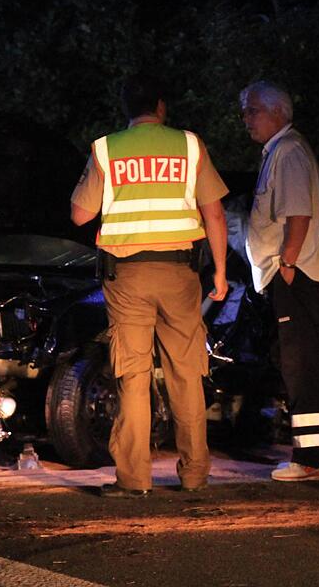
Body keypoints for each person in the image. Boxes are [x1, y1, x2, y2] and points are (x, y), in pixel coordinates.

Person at [70, 73, 229, 497]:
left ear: (126, 108)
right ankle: (195, 474)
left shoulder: (106, 150)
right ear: (161, 107)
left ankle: (134, 479)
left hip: (128, 278)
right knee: (186, 372)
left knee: (134, 375)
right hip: (180, 274)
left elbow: (80, 215)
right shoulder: (190, 145)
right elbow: (214, 213)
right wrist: (219, 272)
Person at [240, 80, 319, 481]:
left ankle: (313, 458)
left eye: (253, 110)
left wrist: (289, 263)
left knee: (302, 363)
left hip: (295, 273)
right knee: (298, 362)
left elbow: (298, 215)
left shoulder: (289, 150)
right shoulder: (279, 151)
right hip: (288, 272)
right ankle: (314, 455)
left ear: (279, 111)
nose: (246, 119)